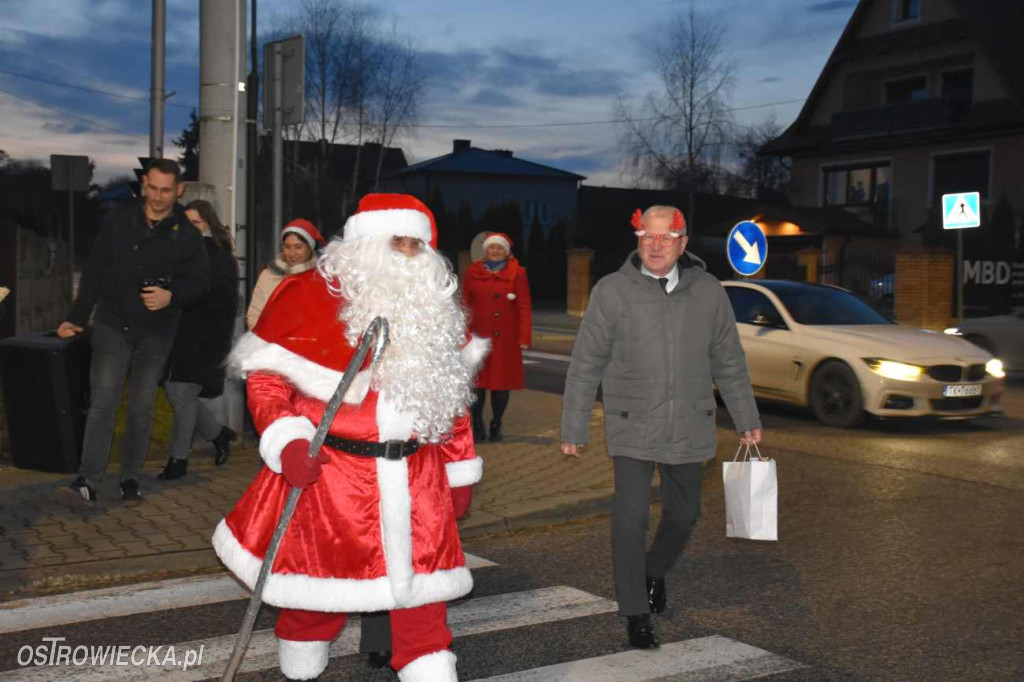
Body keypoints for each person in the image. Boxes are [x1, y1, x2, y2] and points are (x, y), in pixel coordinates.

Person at [215, 193, 489, 681]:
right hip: (334, 481)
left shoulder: (437, 313)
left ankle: (427, 668)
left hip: (418, 478)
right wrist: (288, 441)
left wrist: (458, 468)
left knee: (422, 598)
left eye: (415, 245)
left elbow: (452, 405)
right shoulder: (304, 298)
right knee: (319, 592)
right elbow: (266, 380)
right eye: (395, 241)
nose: (406, 253)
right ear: (362, 244)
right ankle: (301, 649)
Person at [559, 205, 762, 650]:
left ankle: (653, 572)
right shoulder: (611, 291)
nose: (655, 245)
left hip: (691, 420)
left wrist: (746, 418)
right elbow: (587, 360)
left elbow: (728, 359)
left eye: (666, 237)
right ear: (637, 239)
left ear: (683, 243)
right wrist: (574, 425)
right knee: (629, 519)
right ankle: (636, 611)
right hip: (632, 421)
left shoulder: (709, 291)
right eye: (647, 236)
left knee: (685, 514)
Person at [57, 159, 209, 504]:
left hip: (157, 333)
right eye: (152, 188)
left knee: (141, 407)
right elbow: (95, 271)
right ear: (144, 185)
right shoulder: (119, 220)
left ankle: (130, 478)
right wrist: (77, 317)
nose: (158, 196)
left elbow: (201, 283)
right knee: (103, 402)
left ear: (179, 190)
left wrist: (172, 296)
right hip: (112, 324)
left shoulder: (186, 234)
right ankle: (87, 480)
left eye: (166, 190)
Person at [157, 200, 240, 481]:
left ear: (207, 224)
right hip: (177, 335)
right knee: (177, 392)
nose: (191, 229)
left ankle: (178, 460)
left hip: (201, 338)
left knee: (182, 396)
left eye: (196, 223)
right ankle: (219, 434)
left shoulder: (217, 257)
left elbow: (218, 304)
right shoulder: (180, 253)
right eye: (187, 223)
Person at [461, 232, 532, 442]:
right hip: (478, 335)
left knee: (501, 383)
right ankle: (477, 423)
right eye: (492, 248)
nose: (495, 251)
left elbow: (524, 306)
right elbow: (465, 304)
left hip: (506, 339)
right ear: (486, 250)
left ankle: (496, 423)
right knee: (477, 383)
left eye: (499, 248)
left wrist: (524, 336)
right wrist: (462, 333)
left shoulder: (517, 273)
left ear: (506, 252)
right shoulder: (473, 272)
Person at [245, 218, 324, 329]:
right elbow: (254, 314)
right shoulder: (268, 276)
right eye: (287, 247)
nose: (292, 253)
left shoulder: (321, 278)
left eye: (298, 247)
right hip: (270, 342)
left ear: (310, 248)